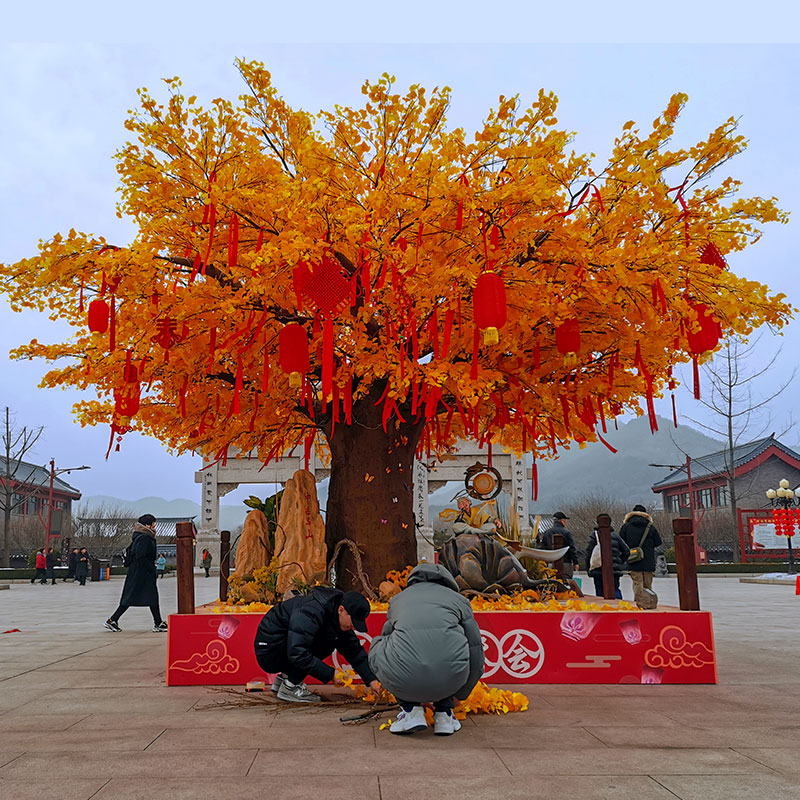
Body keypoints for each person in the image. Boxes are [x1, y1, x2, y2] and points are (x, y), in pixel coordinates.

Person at [368, 563, 484, 736]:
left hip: (405, 677)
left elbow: (388, 641)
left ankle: (410, 711)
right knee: (447, 654)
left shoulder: (399, 599)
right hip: (451, 679)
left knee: (378, 646)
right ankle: (444, 714)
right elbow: (476, 650)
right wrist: (461, 694)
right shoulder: (460, 600)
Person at [253, 587, 381, 703]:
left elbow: (354, 650)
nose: (353, 627)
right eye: (353, 622)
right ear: (341, 610)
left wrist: (371, 680)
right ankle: (290, 687)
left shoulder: (336, 615)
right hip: (269, 649)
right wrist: (330, 674)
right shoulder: (312, 611)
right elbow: (298, 652)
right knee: (324, 643)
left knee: (328, 638)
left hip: (279, 645)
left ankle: (285, 680)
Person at [104, 514, 167, 632]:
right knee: (133, 596)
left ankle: (158, 622)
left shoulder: (141, 536)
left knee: (148, 596)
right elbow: (141, 556)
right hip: (142, 572)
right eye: (153, 523)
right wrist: (150, 570)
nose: (154, 526)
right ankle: (113, 619)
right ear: (148, 524)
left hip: (140, 571)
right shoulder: (144, 538)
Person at [619, 504, 663, 608]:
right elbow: (658, 542)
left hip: (633, 559)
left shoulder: (626, 526)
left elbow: (621, 542)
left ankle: (638, 603)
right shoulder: (650, 527)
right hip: (648, 560)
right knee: (647, 584)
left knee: (637, 582)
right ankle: (648, 602)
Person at [584, 520, 630, 599]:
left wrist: (588, 568)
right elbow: (626, 551)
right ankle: (619, 607)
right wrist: (618, 563)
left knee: (600, 592)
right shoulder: (616, 536)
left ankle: (603, 609)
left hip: (598, 569)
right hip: (613, 570)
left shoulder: (595, 535)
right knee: (615, 589)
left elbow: (588, 553)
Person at [540, 512, 580, 579]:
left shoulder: (547, 533)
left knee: (551, 584)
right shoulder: (566, 533)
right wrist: (575, 562)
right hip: (565, 562)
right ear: (562, 520)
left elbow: (543, 548)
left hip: (551, 563)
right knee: (566, 583)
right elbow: (572, 549)